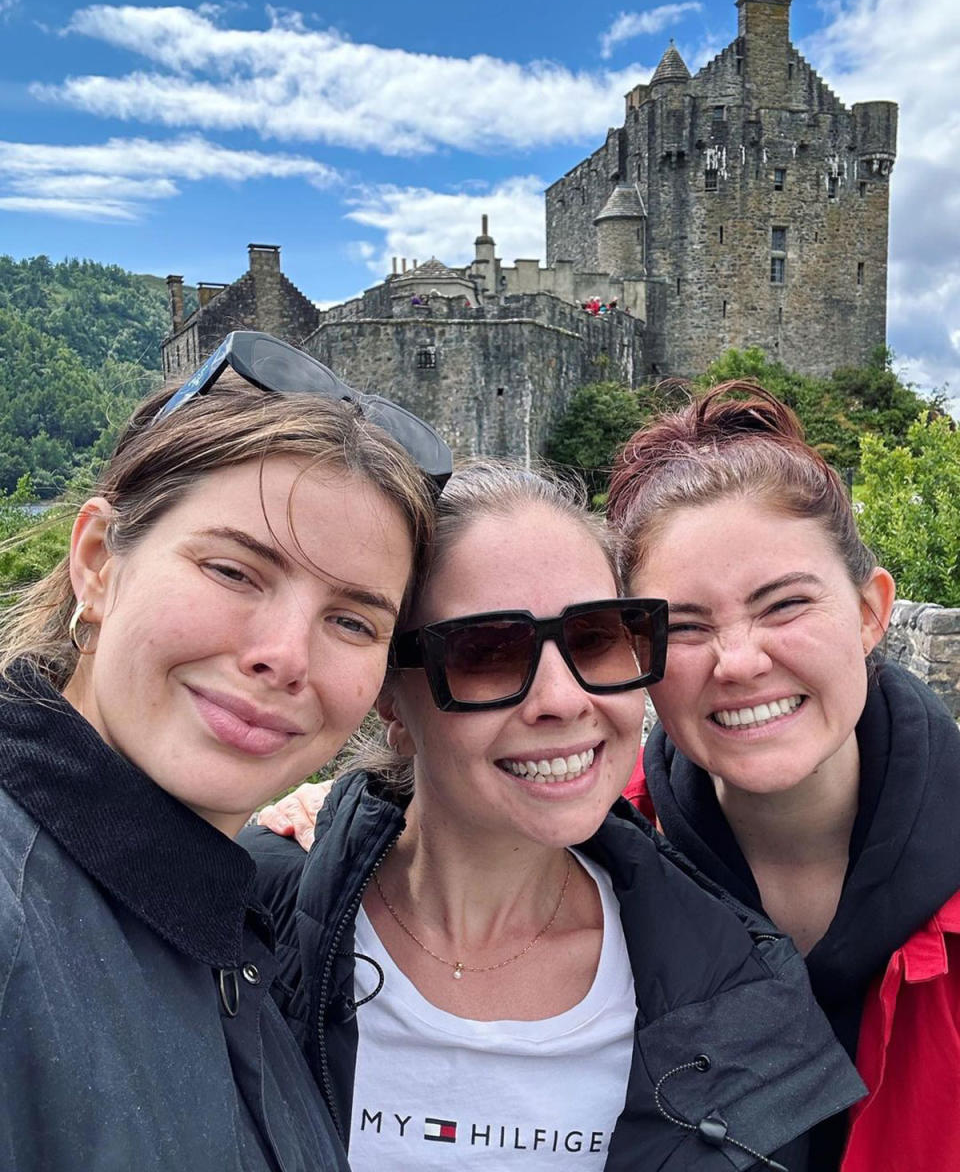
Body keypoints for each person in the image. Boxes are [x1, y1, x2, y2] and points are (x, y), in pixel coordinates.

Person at [246, 461, 863, 1171]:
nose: (563, 701)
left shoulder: (741, 999)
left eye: (598, 637)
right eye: (487, 652)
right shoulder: (247, 913)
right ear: (390, 699)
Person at [0, 330, 451, 1170]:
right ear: (99, 562)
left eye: (352, 620)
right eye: (234, 571)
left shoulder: (218, 915)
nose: (285, 654)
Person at [606, 381, 960, 1171]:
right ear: (640, 657)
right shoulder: (593, 860)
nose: (738, 663)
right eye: (686, 626)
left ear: (872, 613)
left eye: (783, 606)